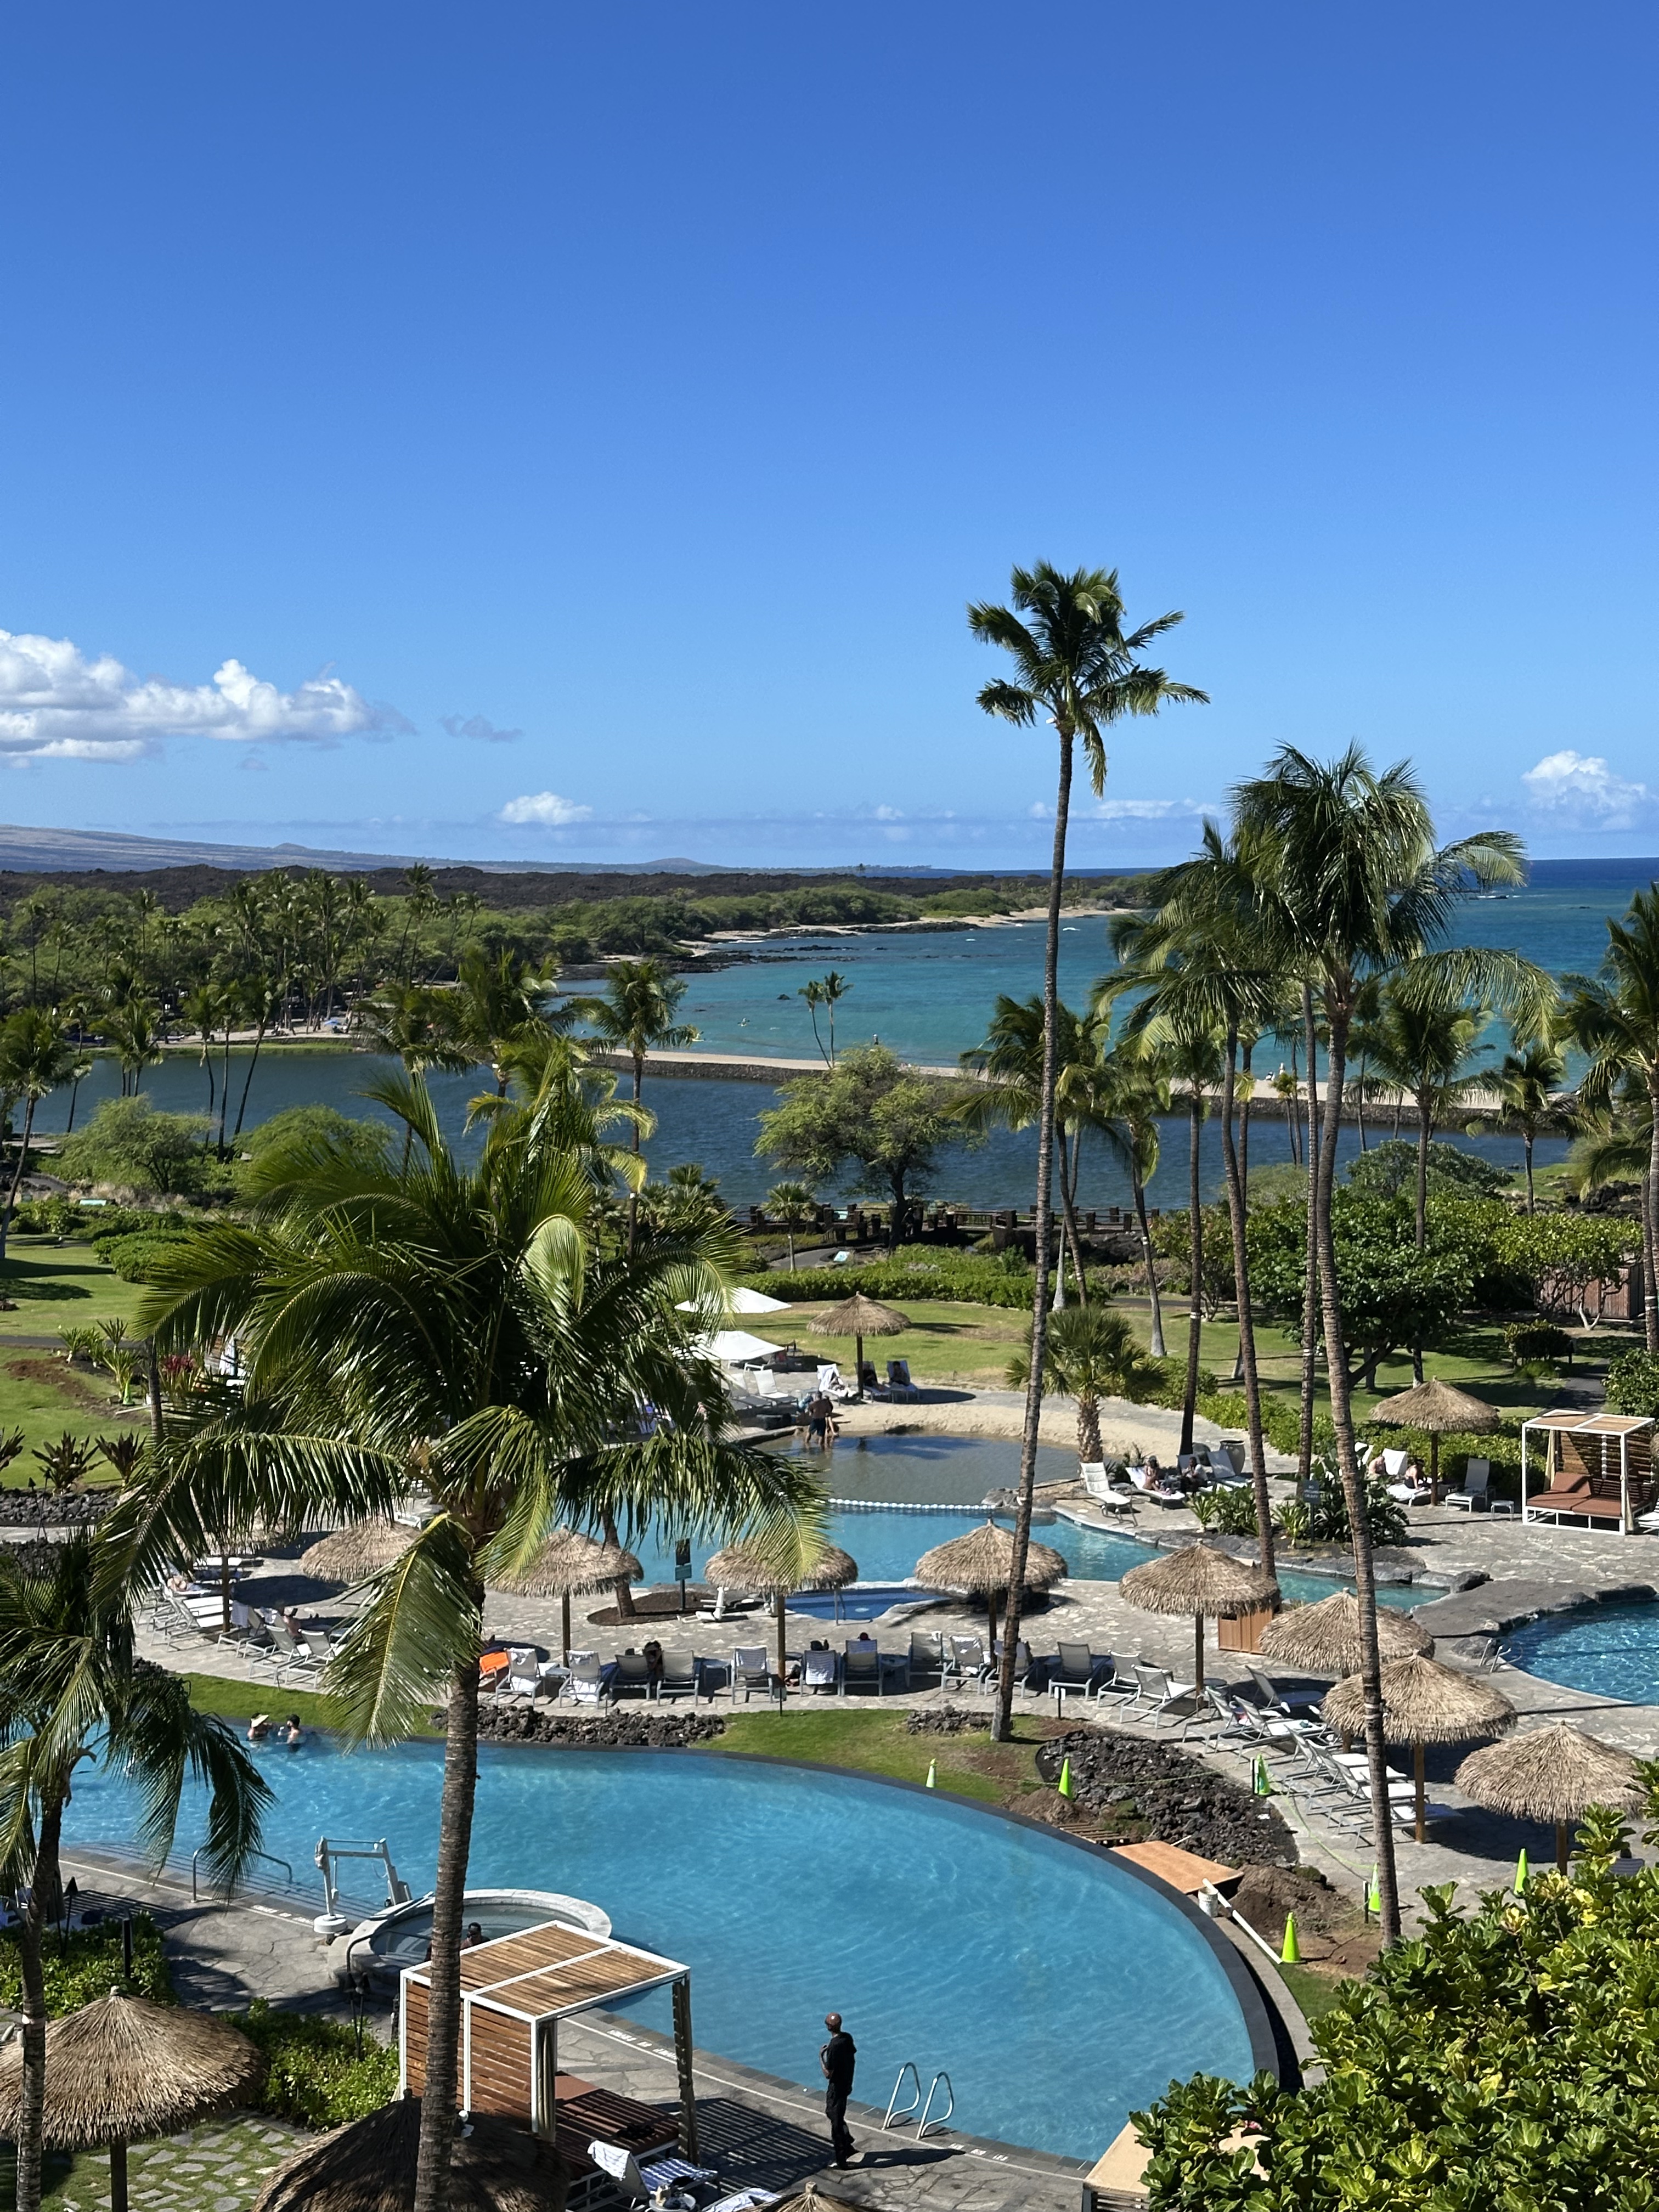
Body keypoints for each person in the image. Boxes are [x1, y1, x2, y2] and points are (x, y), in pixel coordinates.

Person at [820, 2012, 856, 2166]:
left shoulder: (833, 2047)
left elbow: (829, 2074)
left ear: (829, 2027)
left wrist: (821, 2057)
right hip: (847, 2083)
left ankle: (842, 2158)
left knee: (836, 2123)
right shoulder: (847, 2038)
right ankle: (847, 2141)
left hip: (837, 2087)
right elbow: (852, 2057)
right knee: (833, 2114)